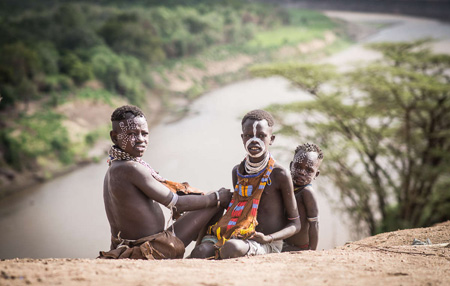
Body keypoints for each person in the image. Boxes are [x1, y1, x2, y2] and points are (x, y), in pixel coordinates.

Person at [98, 105, 232, 260]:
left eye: (144, 133)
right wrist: (217, 197)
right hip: (151, 249)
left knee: (207, 199)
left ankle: (200, 252)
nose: (141, 139)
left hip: (132, 246)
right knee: (214, 201)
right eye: (132, 134)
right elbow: (177, 204)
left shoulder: (114, 168)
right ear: (114, 137)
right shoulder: (132, 168)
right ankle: (201, 254)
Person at [191, 109, 300, 259]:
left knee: (231, 247)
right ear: (242, 138)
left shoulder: (279, 174)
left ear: (272, 139)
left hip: (265, 243)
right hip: (236, 233)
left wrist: (268, 238)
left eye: (261, 136)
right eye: (249, 135)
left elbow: (296, 224)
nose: (254, 140)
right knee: (201, 251)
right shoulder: (238, 172)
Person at [282, 143, 323, 251]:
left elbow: (314, 224)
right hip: (284, 244)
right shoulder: (287, 188)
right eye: (298, 167)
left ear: (316, 175)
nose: (302, 172)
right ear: (291, 166)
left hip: (300, 249)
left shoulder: (307, 192)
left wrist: (312, 251)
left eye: (309, 170)